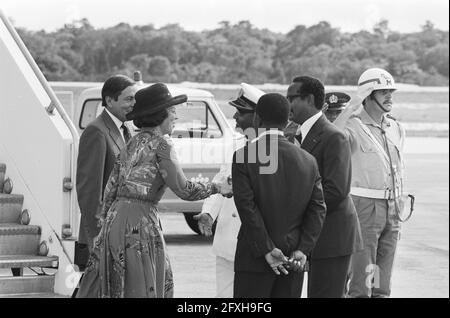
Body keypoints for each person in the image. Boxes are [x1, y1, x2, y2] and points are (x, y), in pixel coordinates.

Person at [76, 83, 232, 298]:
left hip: (115, 221)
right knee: (142, 285)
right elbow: (185, 190)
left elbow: (110, 189)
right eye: (173, 111)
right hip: (139, 225)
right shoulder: (162, 146)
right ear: (161, 115)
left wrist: (104, 227)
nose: (176, 116)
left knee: (117, 286)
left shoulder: (131, 142)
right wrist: (217, 187)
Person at [232, 93, 326, 298]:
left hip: (254, 258)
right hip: (292, 260)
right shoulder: (308, 160)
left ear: (258, 118)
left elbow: (247, 208)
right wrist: (303, 249)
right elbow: (318, 209)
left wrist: (267, 249)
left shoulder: (244, 156)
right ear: (287, 121)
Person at [334, 68, 408, 298]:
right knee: (361, 282)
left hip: (393, 208)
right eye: (382, 92)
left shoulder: (396, 127)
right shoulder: (352, 127)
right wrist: (350, 108)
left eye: (390, 91)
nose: (389, 96)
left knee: (381, 282)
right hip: (364, 208)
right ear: (368, 95)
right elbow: (330, 138)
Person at [287, 76, 362, 298]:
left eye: (292, 98)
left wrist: (292, 210)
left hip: (331, 235)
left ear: (309, 100)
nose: (287, 103)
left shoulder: (333, 136)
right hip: (308, 233)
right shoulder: (294, 134)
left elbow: (336, 191)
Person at [194, 83, 265, 298]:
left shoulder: (274, 151)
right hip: (226, 241)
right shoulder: (237, 147)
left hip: (253, 243)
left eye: (241, 112)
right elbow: (223, 180)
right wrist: (208, 213)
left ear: (257, 117)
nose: (234, 116)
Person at [76, 75, 138, 269]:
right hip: (102, 233)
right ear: (109, 100)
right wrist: (96, 234)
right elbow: (89, 190)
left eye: (135, 98)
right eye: (128, 99)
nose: (134, 104)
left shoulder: (125, 129)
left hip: (121, 230)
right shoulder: (97, 131)